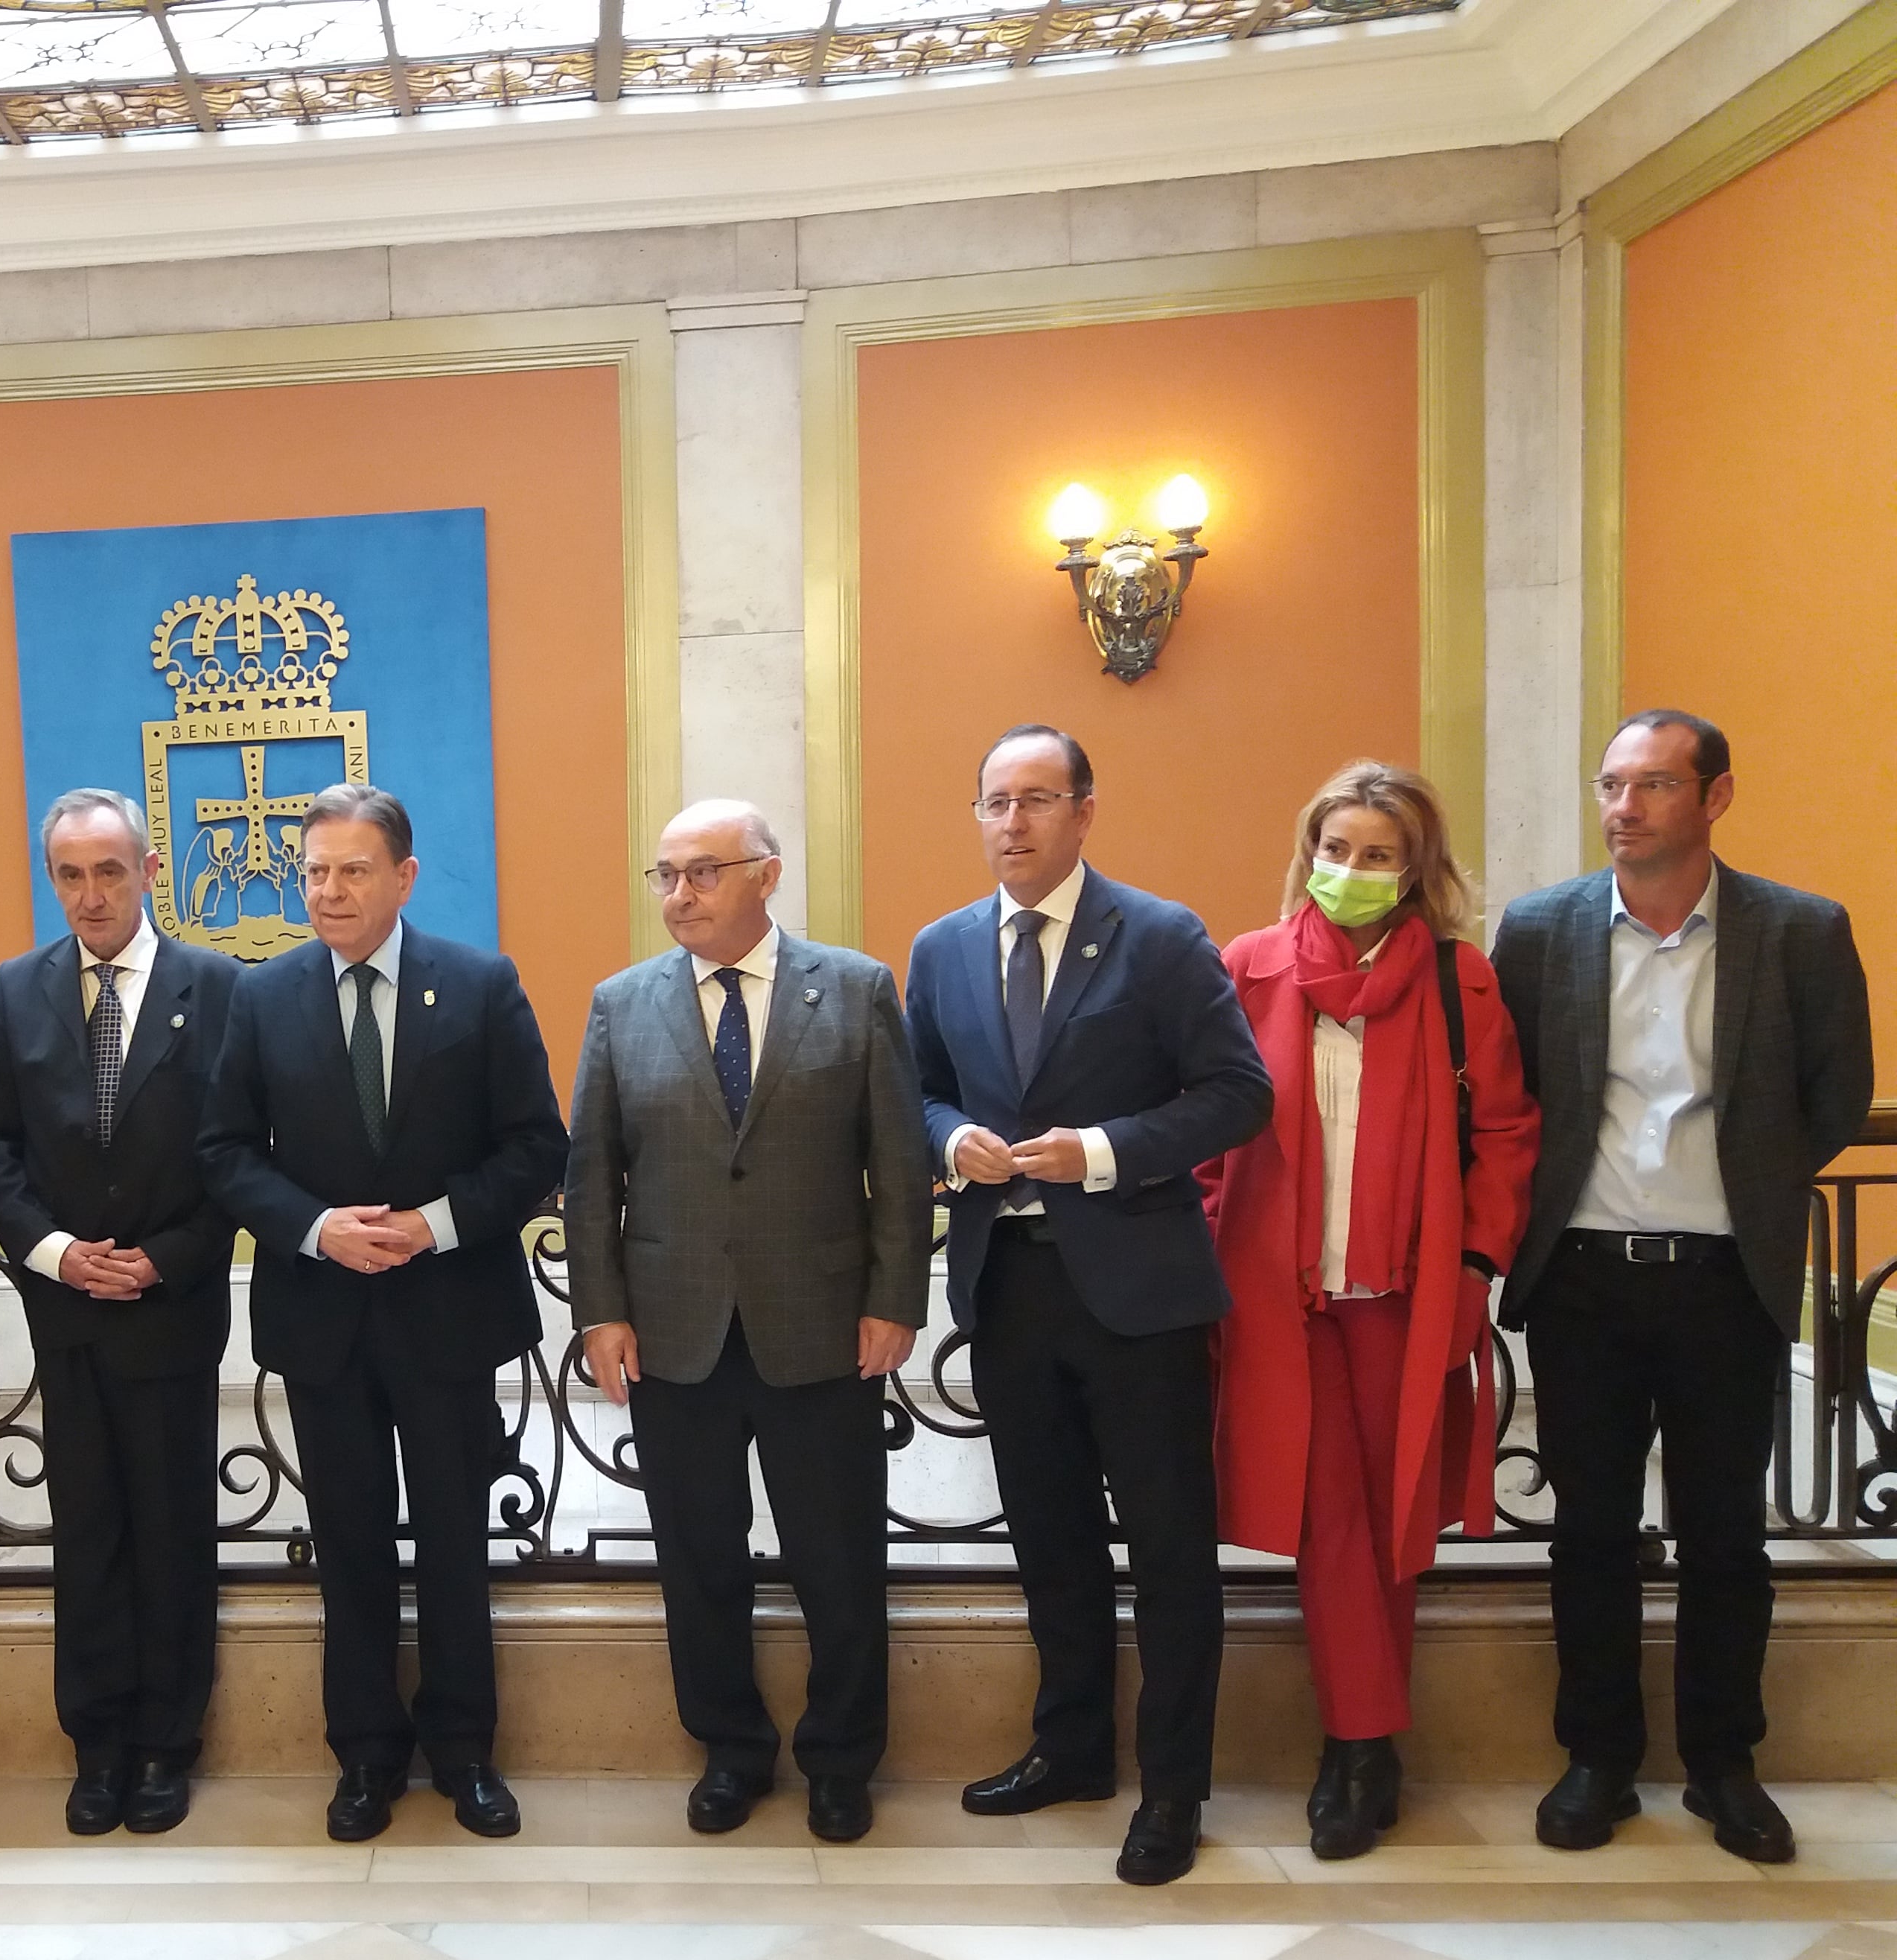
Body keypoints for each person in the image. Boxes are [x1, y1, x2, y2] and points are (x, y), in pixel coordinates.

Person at [1493, 710, 1873, 1863]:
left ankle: (1724, 1764)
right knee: (1590, 1533)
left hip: (1724, 1279)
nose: (1623, 807)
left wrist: (1746, 1185)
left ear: (1714, 799)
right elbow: (1510, 1096)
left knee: (1725, 1537)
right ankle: (1597, 1759)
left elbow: (1838, 1090)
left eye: (1653, 785)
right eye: (1611, 785)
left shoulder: (1799, 931)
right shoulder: (1542, 930)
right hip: (1585, 1281)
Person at [903, 725, 1272, 1886]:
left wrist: (1104, 1151)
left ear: (1085, 812)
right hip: (1006, 1288)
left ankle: (1173, 1789)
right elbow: (915, 1090)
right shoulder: (943, 948)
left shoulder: (1160, 938)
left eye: (1037, 801)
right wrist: (947, 1136)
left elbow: (1237, 1095)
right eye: (994, 802)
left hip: (1140, 1293)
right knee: (1049, 1541)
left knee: (1168, 1553)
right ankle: (1071, 1751)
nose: (1012, 823)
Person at [198, 785, 568, 1842]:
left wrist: (435, 1223)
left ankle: (465, 1754)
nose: (328, 890)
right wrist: (318, 1229)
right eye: (314, 871)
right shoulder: (260, 997)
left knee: (456, 1543)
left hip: (448, 1314)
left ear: (403, 878)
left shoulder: (481, 984)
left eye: (353, 870)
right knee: (348, 1545)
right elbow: (224, 1154)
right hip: (323, 1319)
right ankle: (364, 1756)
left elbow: (537, 1147)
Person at [564, 801, 932, 1842]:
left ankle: (841, 1760)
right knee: (698, 1559)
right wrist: (602, 1314)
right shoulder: (621, 1005)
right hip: (675, 1334)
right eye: (666, 875)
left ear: (766, 877)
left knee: (839, 1558)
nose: (679, 895)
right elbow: (590, 1177)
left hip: (822, 1328)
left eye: (703, 873)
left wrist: (895, 1299)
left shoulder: (855, 991)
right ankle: (730, 1750)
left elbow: (900, 1167)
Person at [1199, 765, 1537, 1862]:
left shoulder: (1459, 981)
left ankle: (1367, 1745)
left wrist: (1479, 1264)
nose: (1349, 872)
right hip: (1280, 1304)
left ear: (1416, 869)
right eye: (1334, 849)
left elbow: (1507, 1133)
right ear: (1308, 853)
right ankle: (1358, 1749)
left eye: (1377, 855)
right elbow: (1207, 1129)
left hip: (1407, 1294)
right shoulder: (1246, 969)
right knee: (1330, 1520)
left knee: (1394, 1527)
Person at [0, 790, 241, 1835]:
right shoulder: (19, 988)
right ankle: (96, 1745)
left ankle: (169, 1746)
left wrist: (163, 1262)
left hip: (170, 1309)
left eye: (110, 872)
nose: (91, 894)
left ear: (149, 871)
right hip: (69, 1308)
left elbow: (240, 1148)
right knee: (85, 1534)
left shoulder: (218, 987)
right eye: (70, 875)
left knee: (175, 1533)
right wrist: (54, 1253)